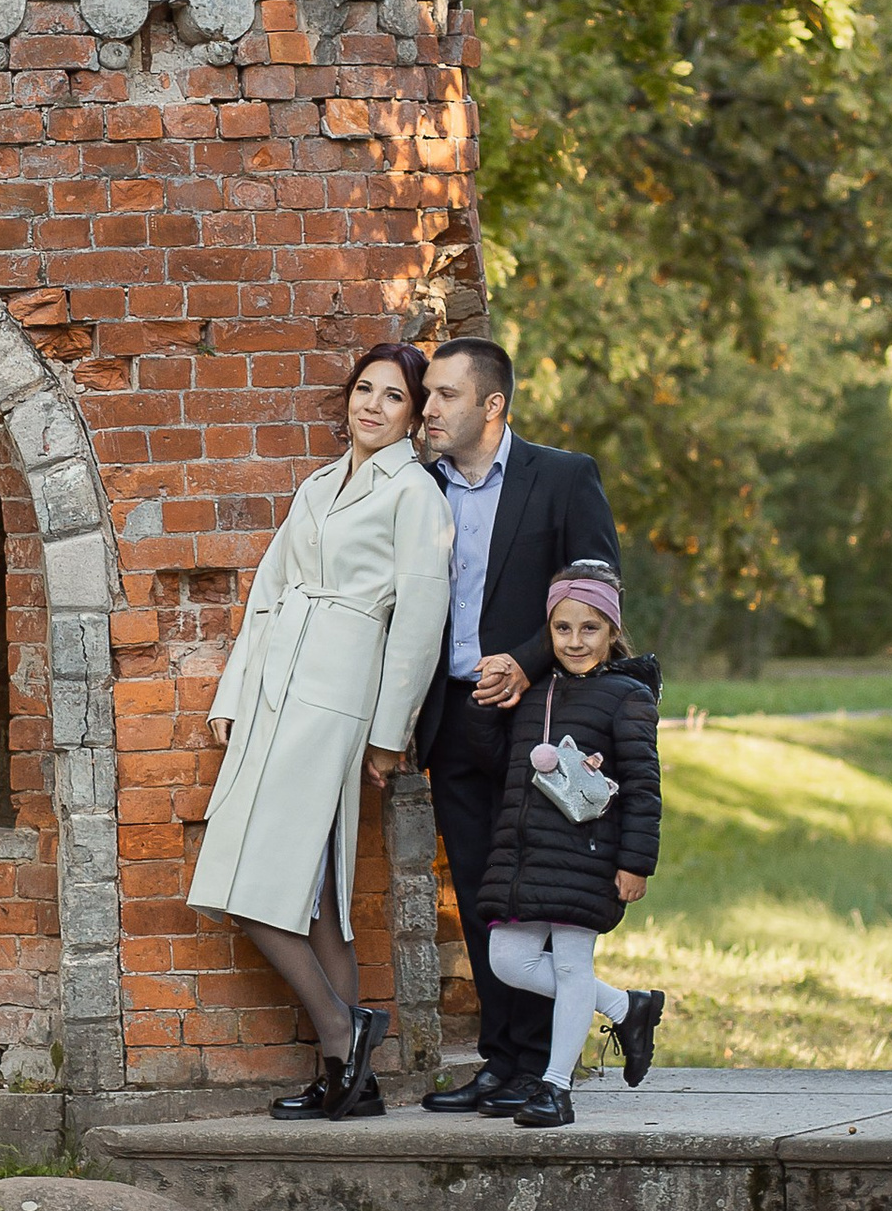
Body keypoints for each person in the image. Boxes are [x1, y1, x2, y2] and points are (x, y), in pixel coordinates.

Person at [189, 343, 454, 1122]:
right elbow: (268, 593)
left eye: (393, 396)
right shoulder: (316, 485)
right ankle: (353, 1078)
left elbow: (420, 624)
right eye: (364, 390)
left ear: (413, 415)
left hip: (337, 696)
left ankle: (345, 1028)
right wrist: (235, 691)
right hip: (277, 689)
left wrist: (386, 733)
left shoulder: (414, 495)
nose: (372, 405)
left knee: (254, 890)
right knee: (314, 900)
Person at [409, 339, 621, 1116]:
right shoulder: (416, 487)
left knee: (541, 896)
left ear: (492, 405)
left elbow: (598, 588)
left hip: (540, 717)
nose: (428, 410)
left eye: (445, 397)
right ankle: (503, 1062)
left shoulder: (563, 477)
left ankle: (543, 1066)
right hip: (453, 717)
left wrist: (532, 662)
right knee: (482, 894)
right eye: (426, 394)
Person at [476, 565, 666, 1128]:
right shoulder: (534, 692)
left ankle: (556, 1088)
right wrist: (486, 704)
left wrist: (635, 861)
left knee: (573, 964)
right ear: (548, 633)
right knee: (508, 959)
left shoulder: (626, 696)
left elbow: (642, 785)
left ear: (612, 631)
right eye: (562, 629)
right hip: (528, 857)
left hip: (588, 855)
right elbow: (495, 760)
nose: (575, 641)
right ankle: (625, 1006)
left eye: (590, 628)